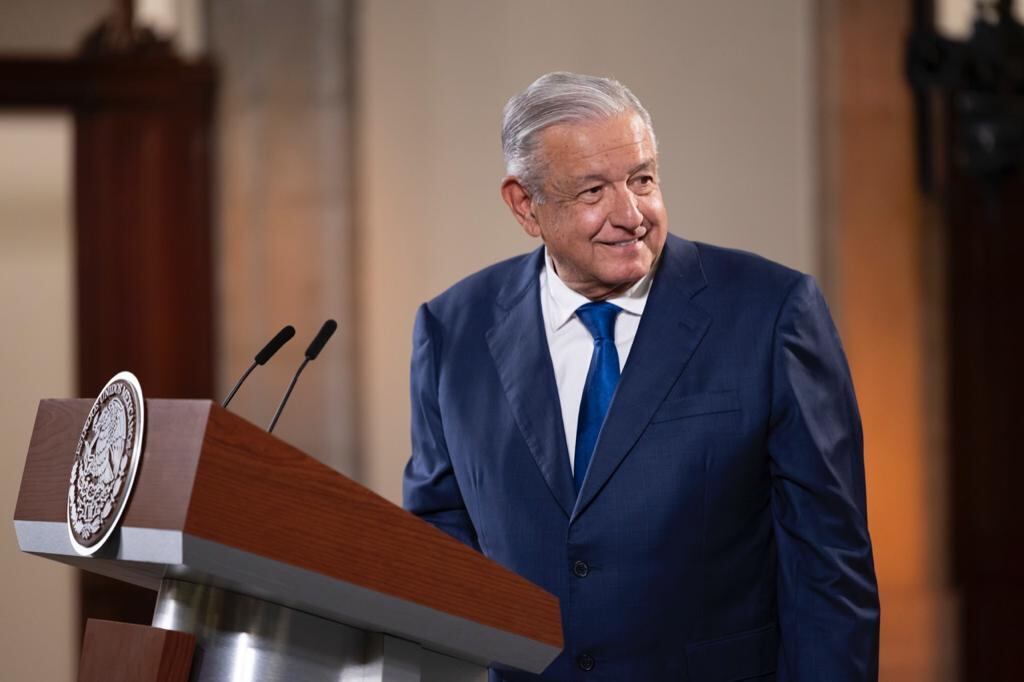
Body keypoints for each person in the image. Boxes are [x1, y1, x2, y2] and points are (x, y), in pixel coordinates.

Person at [403, 72, 879, 681]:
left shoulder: (771, 312)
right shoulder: (452, 330)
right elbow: (439, 541)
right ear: (525, 205)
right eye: (593, 191)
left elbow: (829, 566)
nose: (631, 215)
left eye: (642, 179)